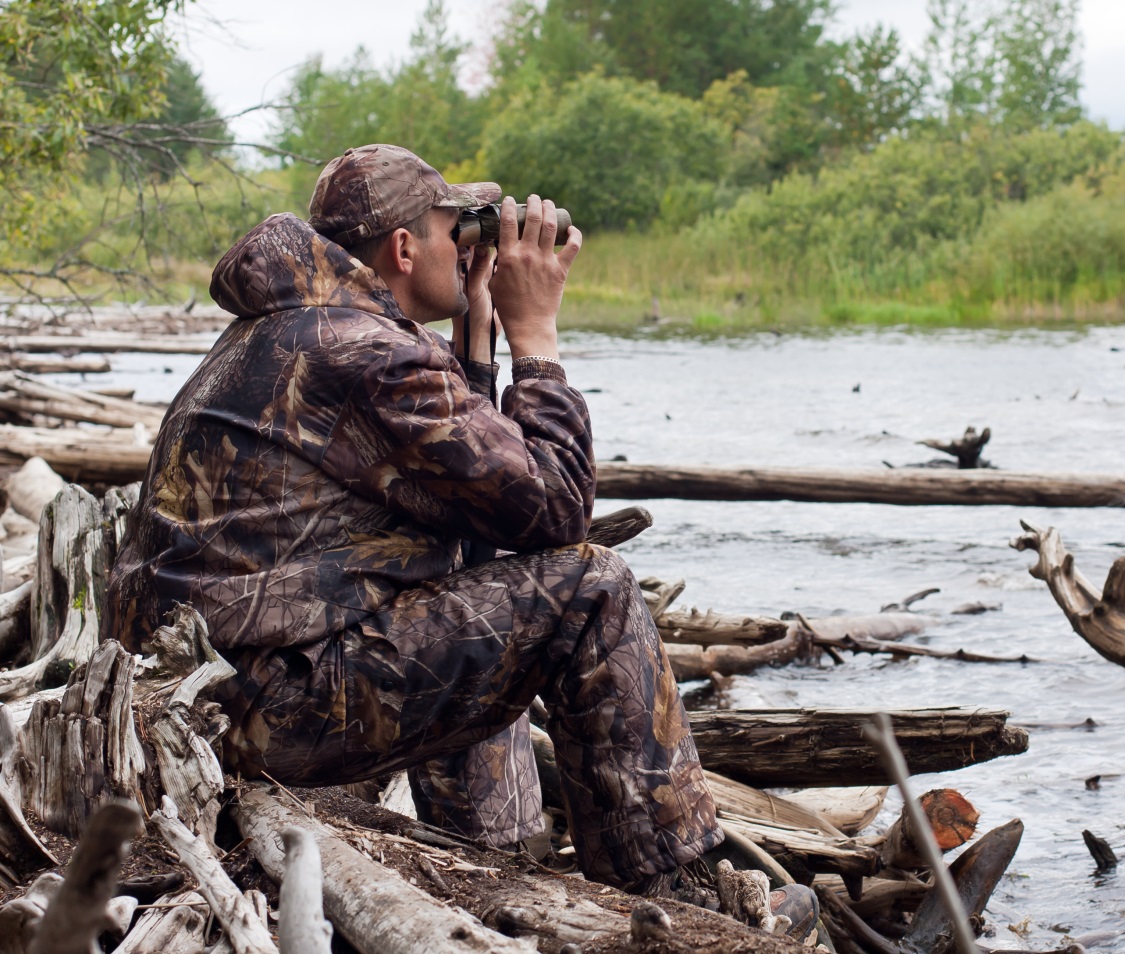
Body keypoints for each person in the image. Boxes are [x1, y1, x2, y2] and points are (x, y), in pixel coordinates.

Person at [101, 144, 739, 899]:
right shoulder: (367, 354)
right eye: (453, 229)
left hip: (212, 694)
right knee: (590, 589)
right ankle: (674, 892)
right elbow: (558, 508)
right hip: (261, 708)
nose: (468, 248)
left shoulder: (294, 332)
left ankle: (494, 864)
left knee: (474, 594)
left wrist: (477, 338)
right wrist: (536, 338)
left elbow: (472, 513)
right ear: (404, 248)